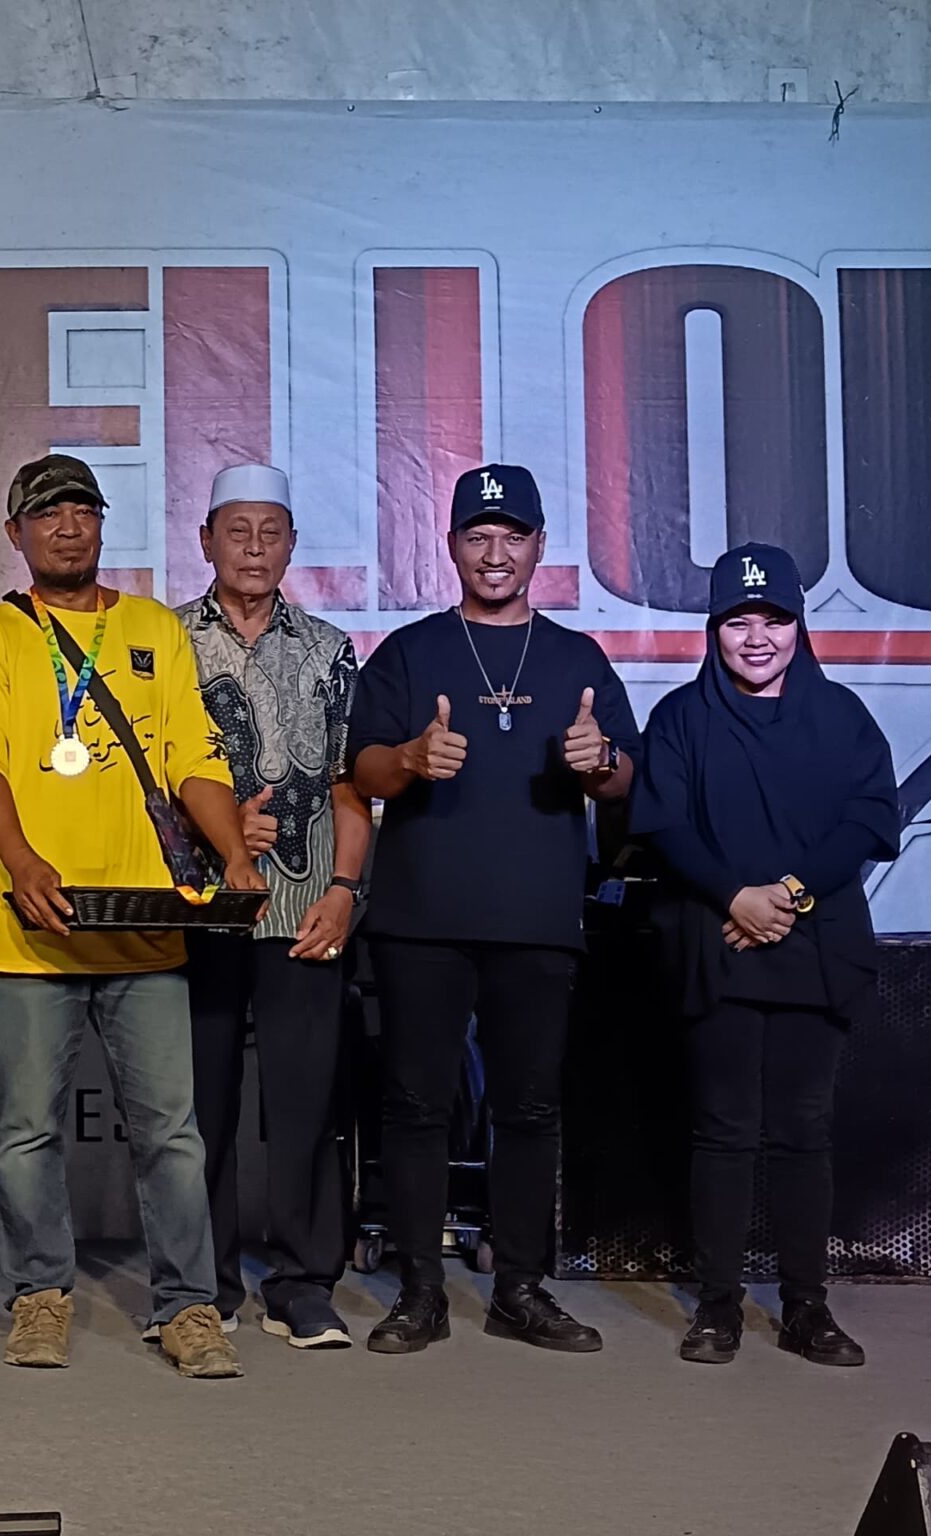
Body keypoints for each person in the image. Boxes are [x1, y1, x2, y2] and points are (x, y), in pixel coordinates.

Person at [0, 452, 264, 1378]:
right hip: (30, 926)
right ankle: (40, 1296)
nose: (67, 526)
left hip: (143, 926)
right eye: (47, 514)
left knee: (171, 1133)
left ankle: (188, 1306)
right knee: (25, 1136)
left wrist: (234, 851)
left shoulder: (153, 628)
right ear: (15, 533)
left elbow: (194, 757)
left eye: (82, 509)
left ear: (101, 524)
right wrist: (19, 859)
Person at [347, 462, 637, 1355]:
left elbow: (624, 775)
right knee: (415, 1106)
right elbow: (362, 769)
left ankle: (520, 1287)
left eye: (513, 536)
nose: (496, 553)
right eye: (479, 535)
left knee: (530, 1110)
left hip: (536, 920)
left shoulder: (578, 659)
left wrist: (599, 762)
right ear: (451, 547)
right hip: (422, 919)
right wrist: (411, 758)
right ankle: (421, 1291)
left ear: (541, 546)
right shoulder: (409, 652)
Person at [632, 544, 897, 1368]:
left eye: (774, 620)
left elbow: (868, 819)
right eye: (738, 621)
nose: (757, 638)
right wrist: (735, 898)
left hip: (814, 947)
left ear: (798, 626)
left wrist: (785, 894)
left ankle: (807, 1307)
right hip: (718, 944)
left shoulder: (843, 715)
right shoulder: (680, 718)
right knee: (723, 1129)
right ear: (713, 629)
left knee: (803, 1130)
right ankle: (717, 1306)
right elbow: (665, 825)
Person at [176, 464, 368, 1348]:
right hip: (198, 906)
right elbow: (147, 776)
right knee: (197, 1107)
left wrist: (345, 890)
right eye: (236, 531)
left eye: (271, 532)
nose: (253, 548)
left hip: (305, 911)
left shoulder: (330, 648)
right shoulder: (165, 641)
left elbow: (350, 785)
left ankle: (302, 1283)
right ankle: (202, 1282)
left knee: (305, 1105)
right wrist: (217, 830)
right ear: (205, 540)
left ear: (292, 544)